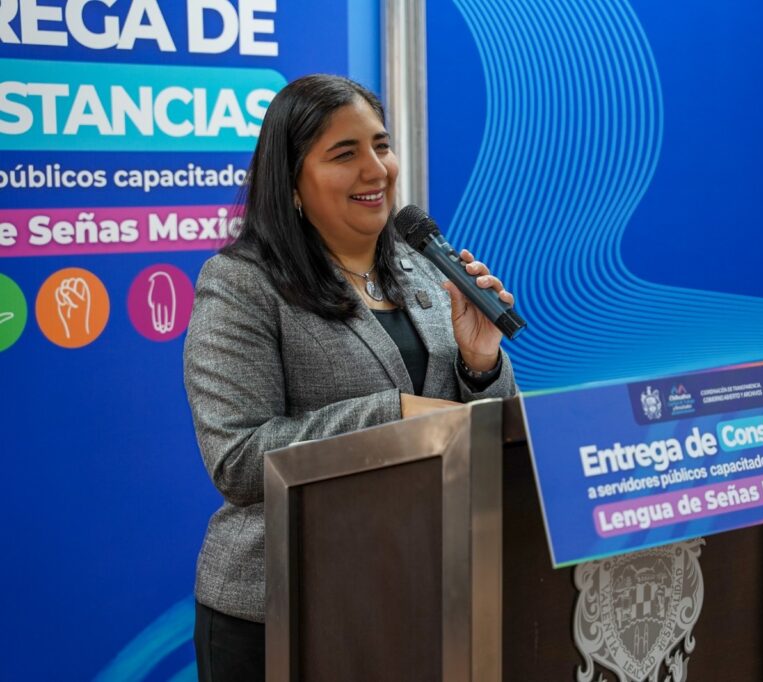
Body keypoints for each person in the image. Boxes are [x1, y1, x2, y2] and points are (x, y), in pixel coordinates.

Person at [183, 74, 518, 681]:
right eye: (344, 153)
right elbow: (238, 459)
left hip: (418, 589)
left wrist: (480, 363)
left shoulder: (424, 268)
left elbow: (485, 433)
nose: (376, 169)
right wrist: (394, 416)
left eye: (381, 145)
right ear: (291, 183)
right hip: (285, 606)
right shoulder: (241, 283)